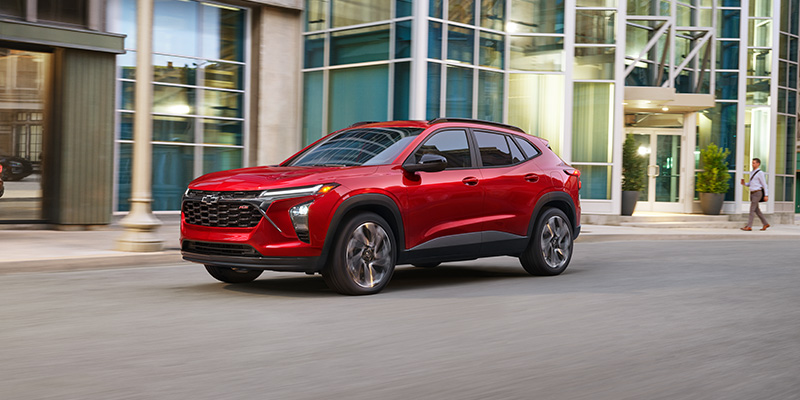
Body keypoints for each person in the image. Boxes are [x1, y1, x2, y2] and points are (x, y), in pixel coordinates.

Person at [740, 158, 769, 231]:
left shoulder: (760, 173)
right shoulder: (752, 173)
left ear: (758, 164)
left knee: (752, 209)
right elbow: (750, 184)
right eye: (752, 163)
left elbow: (764, 184)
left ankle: (749, 226)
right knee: (756, 210)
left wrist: (766, 195)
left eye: (754, 163)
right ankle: (765, 223)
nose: (752, 164)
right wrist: (744, 184)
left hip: (757, 193)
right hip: (752, 193)